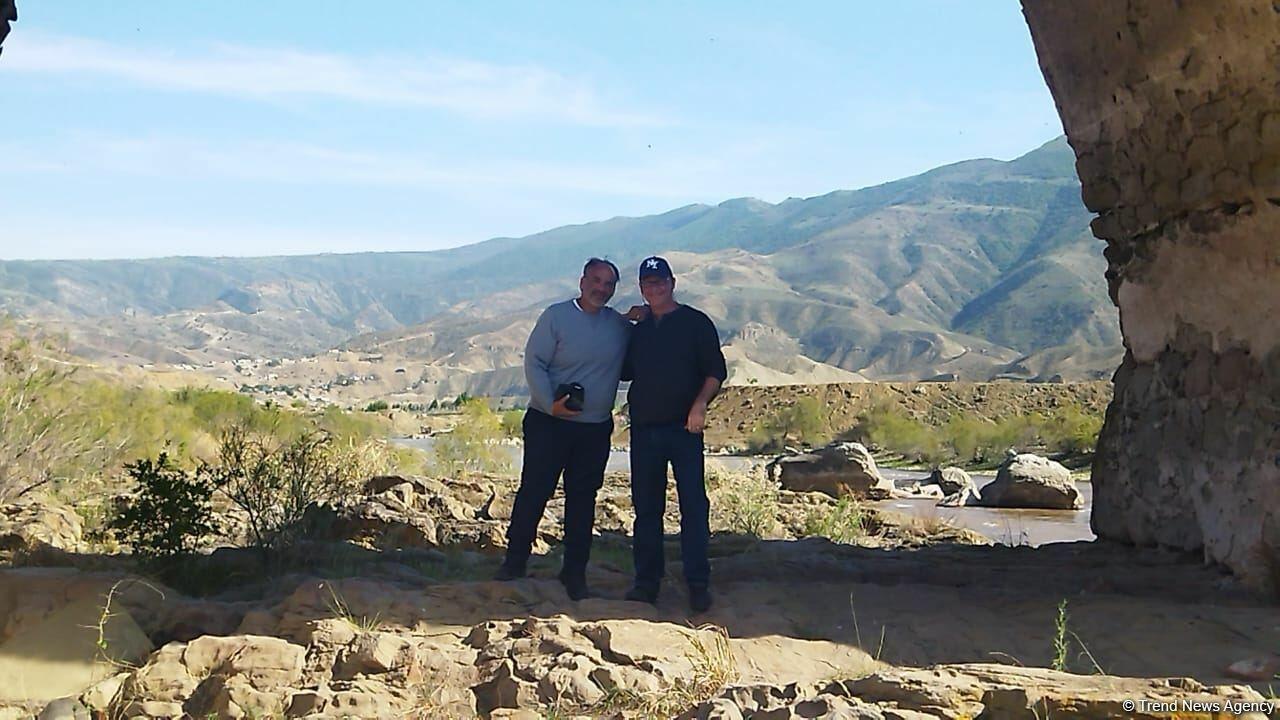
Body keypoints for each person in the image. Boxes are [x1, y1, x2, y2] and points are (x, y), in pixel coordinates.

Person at [496, 258, 643, 601]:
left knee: (583, 499)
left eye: (608, 284)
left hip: (594, 429)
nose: (601, 289)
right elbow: (534, 361)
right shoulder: (556, 317)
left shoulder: (617, 325)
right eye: (596, 281)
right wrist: (550, 403)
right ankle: (514, 562)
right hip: (549, 423)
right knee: (535, 491)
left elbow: (635, 345)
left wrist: (642, 316)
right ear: (582, 282)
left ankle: (574, 573)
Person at [622, 256, 727, 612]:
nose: (654, 288)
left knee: (693, 507)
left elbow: (715, 372)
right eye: (648, 283)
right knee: (646, 509)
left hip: (684, 429)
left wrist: (699, 406)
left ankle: (697, 583)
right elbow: (623, 370)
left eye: (660, 281)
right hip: (644, 429)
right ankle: (646, 583)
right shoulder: (638, 331)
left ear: (672, 283)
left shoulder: (696, 323)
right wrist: (625, 321)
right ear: (641, 288)